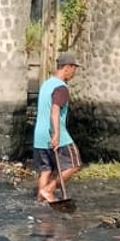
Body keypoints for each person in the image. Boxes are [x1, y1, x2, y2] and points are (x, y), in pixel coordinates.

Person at [33, 52, 83, 203]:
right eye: (74, 68)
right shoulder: (61, 88)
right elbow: (55, 110)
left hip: (39, 135)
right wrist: (56, 134)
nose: (75, 72)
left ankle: (41, 202)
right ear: (67, 68)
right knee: (75, 164)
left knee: (45, 170)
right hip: (56, 134)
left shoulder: (46, 84)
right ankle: (48, 190)